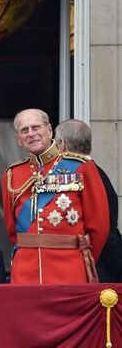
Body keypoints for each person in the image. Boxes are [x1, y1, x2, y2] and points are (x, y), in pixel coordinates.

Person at [3, 109, 109, 284]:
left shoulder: (81, 167)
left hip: (69, 269)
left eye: (36, 127)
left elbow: (99, 226)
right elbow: (12, 230)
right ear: (18, 140)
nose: (31, 134)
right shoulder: (12, 174)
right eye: (24, 130)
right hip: (25, 272)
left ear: (49, 130)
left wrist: (84, 259)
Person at [55, 119, 122, 282]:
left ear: (62, 145)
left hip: (94, 269)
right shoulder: (98, 173)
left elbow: (105, 231)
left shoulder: (80, 176)